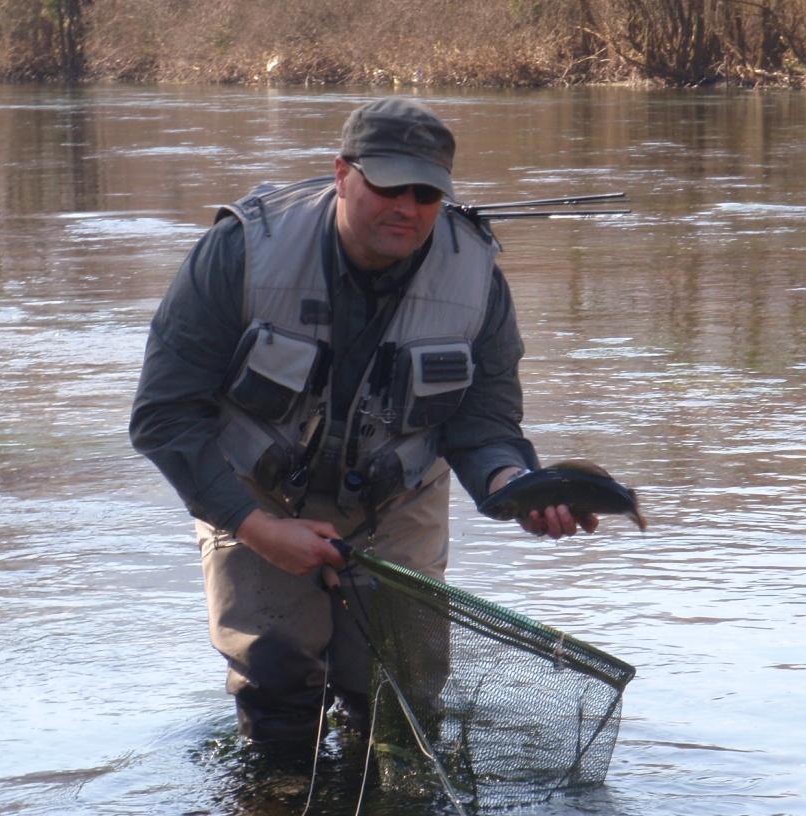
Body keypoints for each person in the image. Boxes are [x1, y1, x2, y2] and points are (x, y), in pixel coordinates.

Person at [130, 97, 595, 746]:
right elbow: (163, 416)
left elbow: (483, 424)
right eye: (386, 184)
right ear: (342, 173)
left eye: (425, 192)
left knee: (398, 696)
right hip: (255, 491)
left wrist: (512, 487)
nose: (405, 207)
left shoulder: (476, 278)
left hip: (398, 495)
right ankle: (281, 808)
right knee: (278, 686)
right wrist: (257, 529)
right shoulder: (240, 250)